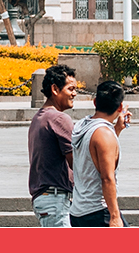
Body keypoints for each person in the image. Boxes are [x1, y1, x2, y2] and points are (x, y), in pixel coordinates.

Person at [68, 80, 130, 227]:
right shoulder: (104, 135)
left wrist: (117, 130)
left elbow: (94, 154)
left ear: (95, 102)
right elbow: (107, 178)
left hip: (78, 211)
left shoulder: (83, 125)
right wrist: (115, 216)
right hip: (98, 211)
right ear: (120, 106)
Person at [27, 63, 78, 226]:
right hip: (56, 199)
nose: (75, 94)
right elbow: (76, 162)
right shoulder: (59, 119)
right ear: (55, 89)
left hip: (45, 198)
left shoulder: (39, 117)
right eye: (71, 89)